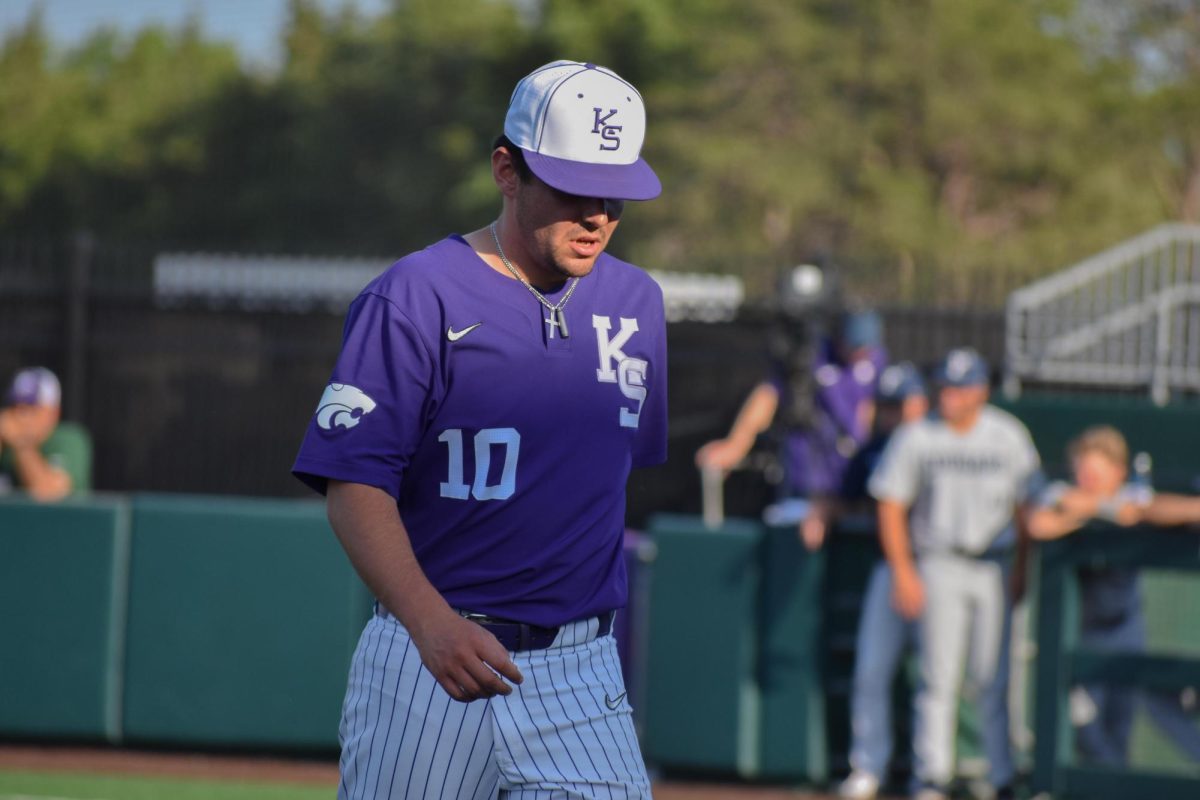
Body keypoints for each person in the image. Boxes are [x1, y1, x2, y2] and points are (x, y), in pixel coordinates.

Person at [292, 60, 666, 799]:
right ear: (507, 169)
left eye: (616, 194)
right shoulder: (415, 294)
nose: (598, 214)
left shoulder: (638, 303)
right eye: (574, 187)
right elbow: (353, 484)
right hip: (428, 659)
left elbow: (620, 473)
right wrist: (431, 625)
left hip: (580, 671)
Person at [868, 348, 1040, 800]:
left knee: (993, 677)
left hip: (994, 564)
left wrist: (1023, 568)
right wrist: (904, 570)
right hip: (939, 560)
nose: (949, 395)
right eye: (944, 386)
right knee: (937, 675)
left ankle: (1001, 775)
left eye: (960, 387)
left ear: (981, 390)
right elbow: (890, 503)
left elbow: (1028, 511)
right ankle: (932, 776)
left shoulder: (1007, 435)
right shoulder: (917, 436)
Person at [1026, 425, 1200, 765]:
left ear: (1118, 472)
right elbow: (1040, 524)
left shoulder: (1130, 497)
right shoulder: (1062, 494)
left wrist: (1117, 507)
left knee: (1123, 723)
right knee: (1084, 730)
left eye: (1096, 473)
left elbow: (1152, 509)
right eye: (1083, 472)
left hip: (1125, 628)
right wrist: (1095, 508)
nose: (1087, 479)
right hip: (1077, 634)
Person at [696, 308, 887, 547]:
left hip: (851, 487)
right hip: (807, 484)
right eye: (856, 346)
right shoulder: (813, 356)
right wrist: (737, 444)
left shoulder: (877, 362)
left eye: (866, 347)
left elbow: (869, 412)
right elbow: (769, 395)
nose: (861, 353)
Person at [836, 362, 930, 800]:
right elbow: (846, 499)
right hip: (889, 568)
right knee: (872, 670)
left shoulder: (936, 443)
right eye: (889, 405)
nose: (895, 414)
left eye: (903, 404)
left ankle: (935, 775)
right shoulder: (873, 448)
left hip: (940, 568)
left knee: (943, 680)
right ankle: (868, 766)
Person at [0, 367, 92, 502]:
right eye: (15, 406)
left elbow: (49, 492)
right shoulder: (5, 442)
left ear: (54, 412)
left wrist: (20, 444)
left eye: (30, 407)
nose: (19, 415)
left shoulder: (68, 439)